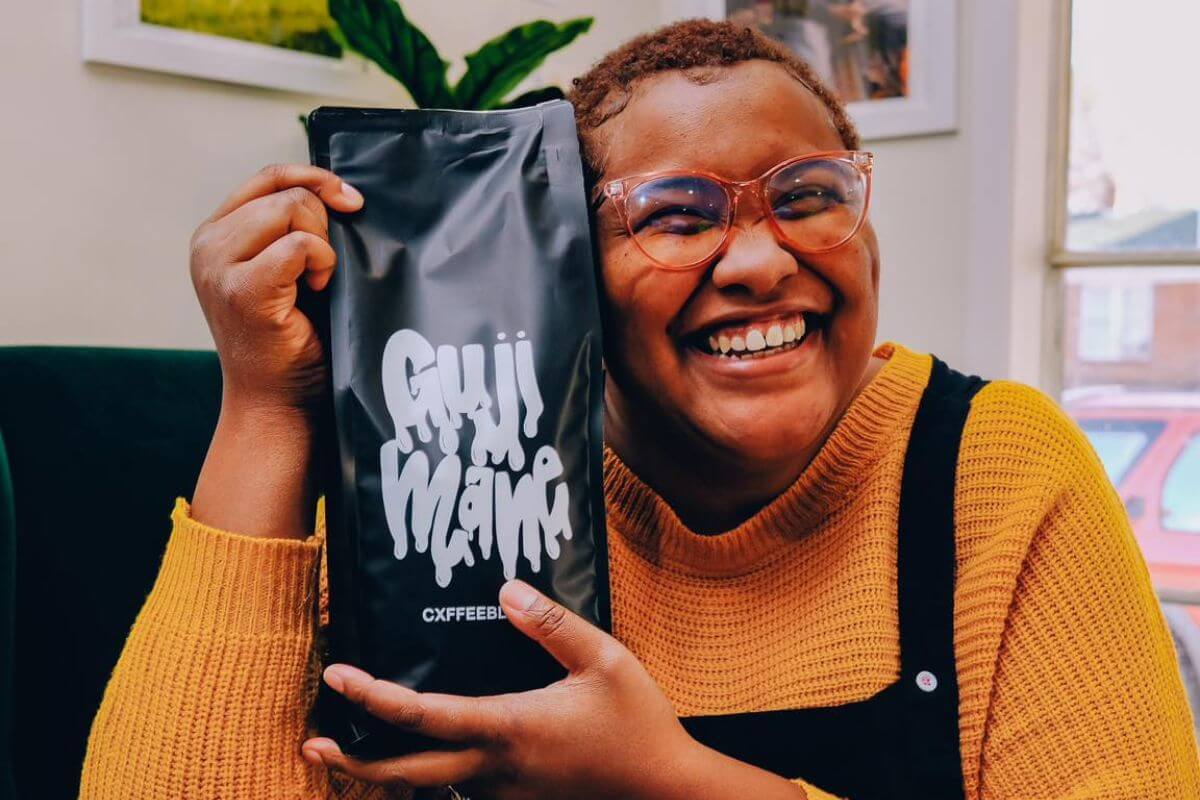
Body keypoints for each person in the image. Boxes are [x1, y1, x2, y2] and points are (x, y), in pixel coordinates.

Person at [79, 19, 1199, 800]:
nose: (760, 258)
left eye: (808, 195)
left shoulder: (994, 467)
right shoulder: (457, 490)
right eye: (675, 214)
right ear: (565, 268)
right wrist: (269, 409)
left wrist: (668, 782)